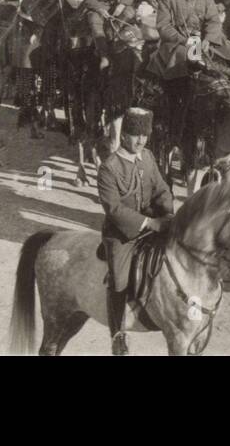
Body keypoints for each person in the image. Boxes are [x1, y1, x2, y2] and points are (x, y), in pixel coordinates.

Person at [98, 108, 173, 355]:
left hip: (154, 221)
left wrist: (167, 214)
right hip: (122, 233)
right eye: (135, 134)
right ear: (123, 135)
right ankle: (118, 334)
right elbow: (114, 209)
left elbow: (161, 188)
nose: (141, 140)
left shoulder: (148, 156)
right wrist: (149, 223)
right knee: (119, 281)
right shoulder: (109, 167)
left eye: (145, 135)